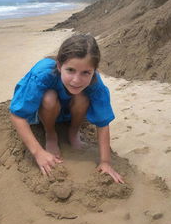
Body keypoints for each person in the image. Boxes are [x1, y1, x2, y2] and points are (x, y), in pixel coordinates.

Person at [9, 34, 124, 184]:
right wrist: (38, 153)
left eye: (85, 73)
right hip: (46, 110)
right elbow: (17, 115)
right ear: (59, 66)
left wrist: (106, 162)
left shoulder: (96, 84)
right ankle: (51, 134)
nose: (76, 80)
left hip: (70, 111)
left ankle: (73, 132)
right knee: (49, 97)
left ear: (94, 70)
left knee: (82, 97)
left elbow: (103, 123)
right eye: (70, 70)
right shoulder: (43, 73)